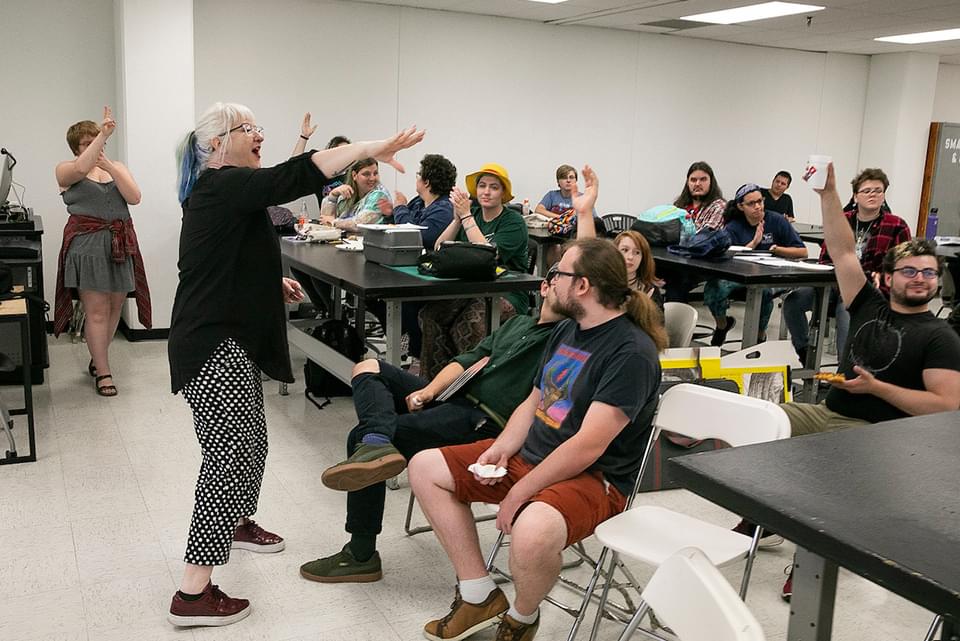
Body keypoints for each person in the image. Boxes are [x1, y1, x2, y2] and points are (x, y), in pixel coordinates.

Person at [167, 100, 423, 627]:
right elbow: (300, 173)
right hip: (212, 342)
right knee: (227, 456)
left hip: (226, 335)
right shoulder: (223, 183)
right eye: (248, 128)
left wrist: (270, 283)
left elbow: (232, 255)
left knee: (251, 444)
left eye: (258, 126)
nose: (258, 134)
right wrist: (375, 147)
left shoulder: (225, 189)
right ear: (217, 143)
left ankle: (235, 524)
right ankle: (193, 593)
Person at [409, 237, 666, 641]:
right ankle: (478, 593)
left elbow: (588, 446)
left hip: (595, 480)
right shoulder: (568, 329)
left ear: (582, 286)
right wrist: (504, 446)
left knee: (531, 530)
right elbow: (534, 400)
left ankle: (521, 618)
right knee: (424, 467)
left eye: (558, 273)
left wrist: (520, 491)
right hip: (536, 458)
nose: (550, 282)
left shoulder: (630, 353)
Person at [776, 162, 960, 602]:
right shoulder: (867, 304)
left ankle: (811, 561)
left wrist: (877, 389)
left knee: (820, 476)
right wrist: (828, 193)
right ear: (888, 277)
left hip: (874, 434)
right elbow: (841, 251)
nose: (920, 279)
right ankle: (760, 518)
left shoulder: (939, 337)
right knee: (756, 419)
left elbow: (947, 405)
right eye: (910, 271)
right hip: (827, 411)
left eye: (929, 273)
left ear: (937, 284)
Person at [298, 279, 563, 583]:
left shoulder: (565, 339)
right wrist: (428, 392)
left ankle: (361, 553)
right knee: (368, 367)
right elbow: (466, 361)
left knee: (358, 436)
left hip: (482, 419)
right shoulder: (517, 323)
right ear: (545, 287)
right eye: (562, 278)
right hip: (456, 397)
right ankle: (378, 441)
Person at [53, 106, 152, 397]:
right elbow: (82, 168)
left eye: (98, 140)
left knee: (114, 308)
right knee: (96, 311)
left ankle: (98, 358)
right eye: (88, 142)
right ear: (76, 147)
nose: (96, 146)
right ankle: (104, 372)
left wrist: (109, 167)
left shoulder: (116, 166)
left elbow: (134, 197)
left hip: (120, 243)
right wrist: (102, 136)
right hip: (88, 246)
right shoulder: (65, 169)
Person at [782, 168, 911, 362]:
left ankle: (846, 367)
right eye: (867, 191)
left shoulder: (896, 225)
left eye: (878, 191)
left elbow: (904, 266)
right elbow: (825, 256)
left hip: (870, 289)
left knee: (848, 309)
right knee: (793, 301)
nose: (873, 195)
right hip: (834, 282)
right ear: (855, 195)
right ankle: (804, 352)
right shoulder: (843, 220)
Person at [418, 163, 529, 379]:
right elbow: (440, 247)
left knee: (470, 322)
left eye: (494, 187)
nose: (486, 192)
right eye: (482, 186)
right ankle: (431, 382)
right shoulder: (473, 213)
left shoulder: (513, 222)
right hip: (470, 288)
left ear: (503, 193)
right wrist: (457, 219)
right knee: (430, 314)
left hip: (506, 292)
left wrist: (467, 218)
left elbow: (487, 256)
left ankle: (471, 387)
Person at [704, 183, 807, 347]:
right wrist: (753, 243)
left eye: (760, 201)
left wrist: (778, 249)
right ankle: (722, 326)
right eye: (751, 203)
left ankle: (759, 337)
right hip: (740, 276)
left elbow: (802, 252)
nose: (758, 207)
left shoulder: (777, 220)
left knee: (763, 292)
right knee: (714, 288)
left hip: (769, 276)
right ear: (740, 206)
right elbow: (726, 257)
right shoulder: (733, 227)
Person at [571, 168, 664, 314]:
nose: (630, 257)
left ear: (643, 258)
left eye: (637, 252)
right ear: (615, 253)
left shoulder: (650, 291)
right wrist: (584, 213)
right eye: (625, 250)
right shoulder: (605, 282)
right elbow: (586, 256)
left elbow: (655, 330)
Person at [664, 161, 726, 302]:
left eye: (703, 179)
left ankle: (674, 321)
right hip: (676, 258)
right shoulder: (680, 205)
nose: (697, 184)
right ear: (687, 183)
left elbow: (702, 239)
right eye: (693, 180)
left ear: (711, 182)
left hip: (702, 262)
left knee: (676, 279)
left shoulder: (718, 206)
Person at [319, 157, 393, 233]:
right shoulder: (347, 193)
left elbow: (359, 224)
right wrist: (333, 196)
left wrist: (334, 222)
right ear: (354, 175)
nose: (372, 178)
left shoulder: (379, 194)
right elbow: (325, 220)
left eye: (375, 173)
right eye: (366, 174)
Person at [290, 113, 351, 202]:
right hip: (326, 215)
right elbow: (293, 167)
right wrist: (304, 136)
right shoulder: (321, 174)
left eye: (347, 151)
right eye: (340, 151)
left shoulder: (354, 175)